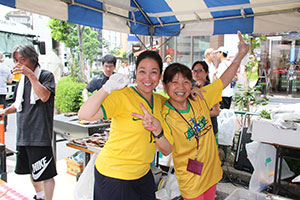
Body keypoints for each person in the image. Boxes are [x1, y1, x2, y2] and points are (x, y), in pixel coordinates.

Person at [136, 31, 249, 200]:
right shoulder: (165, 113)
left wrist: (240, 56)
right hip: (191, 178)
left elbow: (223, 81)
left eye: (186, 82)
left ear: (192, 84)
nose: (180, 87)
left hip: (211, 172)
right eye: (174, 82)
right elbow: (166, 150)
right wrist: (157, 132)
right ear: (165, 86)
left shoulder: (200, 97)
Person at [78, 51, 172, 200]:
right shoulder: (122, 95)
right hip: (114, 175)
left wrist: (157, 131)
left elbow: (167, 150)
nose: (147, 78)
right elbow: (84, 114)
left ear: (160, 76)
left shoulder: (162, 102)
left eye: (154, 72)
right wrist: (107, 88)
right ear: (135, 73)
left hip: (143, 174)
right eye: (142, 72)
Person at [0, 44, 57, 200]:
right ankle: (39, 196)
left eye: (22, 60)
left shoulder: (45, 75)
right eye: (16, 60)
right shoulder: (21, 80)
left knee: (45, 173)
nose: (19, 64)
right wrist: (4, 112)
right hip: (24, 133)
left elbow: (44, 96)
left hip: (40, 134)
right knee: (32, 171)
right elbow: (18, 105)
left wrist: (31, 75)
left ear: (33, 58)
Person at [192, 61, 220, 137]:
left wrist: (198, 115)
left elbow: (216, 112)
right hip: (197, 129)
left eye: (200, 70)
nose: (196, 73)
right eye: (194, 70)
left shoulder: (210, 88)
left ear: (207, 73)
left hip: (209, 129)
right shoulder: (193, 87)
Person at [0, 52, 12, 131]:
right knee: (3, 108)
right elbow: (10, 81)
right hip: (3, 91)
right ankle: (3, 126)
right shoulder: (7, 69)